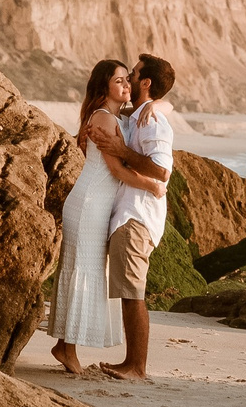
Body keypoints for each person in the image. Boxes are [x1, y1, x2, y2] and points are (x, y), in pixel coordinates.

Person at [49, 58, 133, 375]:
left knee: (83, 272)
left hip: (93, 202)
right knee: (81, 273)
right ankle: (66, 349)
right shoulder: (104, 118)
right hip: (89, 205)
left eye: (128, 80)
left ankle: (64, 346)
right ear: (104, 86)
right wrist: (153, 184)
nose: (126, 85)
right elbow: (116, 169)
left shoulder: (110, 117)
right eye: (120, 80)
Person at [101, 52, 177, 381]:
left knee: (133, 292)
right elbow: (163, 106)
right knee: (129, 291)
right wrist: (154, 105)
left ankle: (136, 366)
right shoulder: (143, 115)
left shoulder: (154, 122)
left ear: (145, 82)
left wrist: (122, 153)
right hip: (129, 212)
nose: (128, 79)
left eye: (133, 74)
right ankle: (132, 363)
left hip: (138, 215)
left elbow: (161, 171)